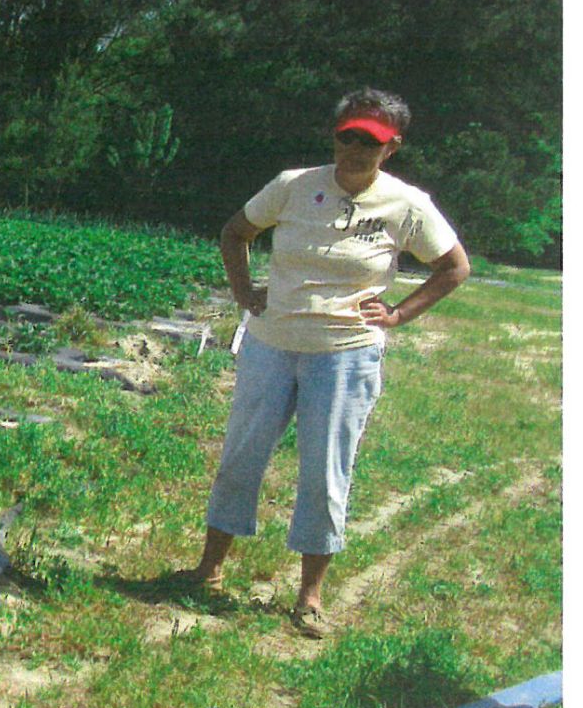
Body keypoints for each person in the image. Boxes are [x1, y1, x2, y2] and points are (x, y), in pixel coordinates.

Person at [185, 88, 470, 638]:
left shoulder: (407, 204)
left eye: (372, 142)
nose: (357, 149)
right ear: (334, 135)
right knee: (241, 455)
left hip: (344, 356)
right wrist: (245, 292)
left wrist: (399, 314)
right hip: (271, 344)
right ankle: (208, 570)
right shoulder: (293, 186)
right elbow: (235, 232)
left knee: (325, 471)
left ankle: (309, 596)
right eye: (349, 137)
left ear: (391, 148)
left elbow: (454, 268)